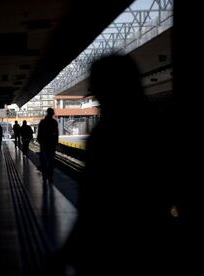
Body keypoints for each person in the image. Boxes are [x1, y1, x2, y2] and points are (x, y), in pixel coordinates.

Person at [43, 53, 171, 276]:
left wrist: (66, 253)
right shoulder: (158, 126)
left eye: (99, 90)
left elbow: (94, 205)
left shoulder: (105, 133)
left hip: (106, 250)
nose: (98, 98)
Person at [37, 108, 58, 183]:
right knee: (51, 160)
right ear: (52, 113)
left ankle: (44, 175)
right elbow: (56, 134)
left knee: (43, 160)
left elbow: (39, 133)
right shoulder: (54, 122)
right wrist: (55, 142)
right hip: (51, 143)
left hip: (44, 143)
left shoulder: (42, 122)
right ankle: (50, 176)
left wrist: (40, 141)